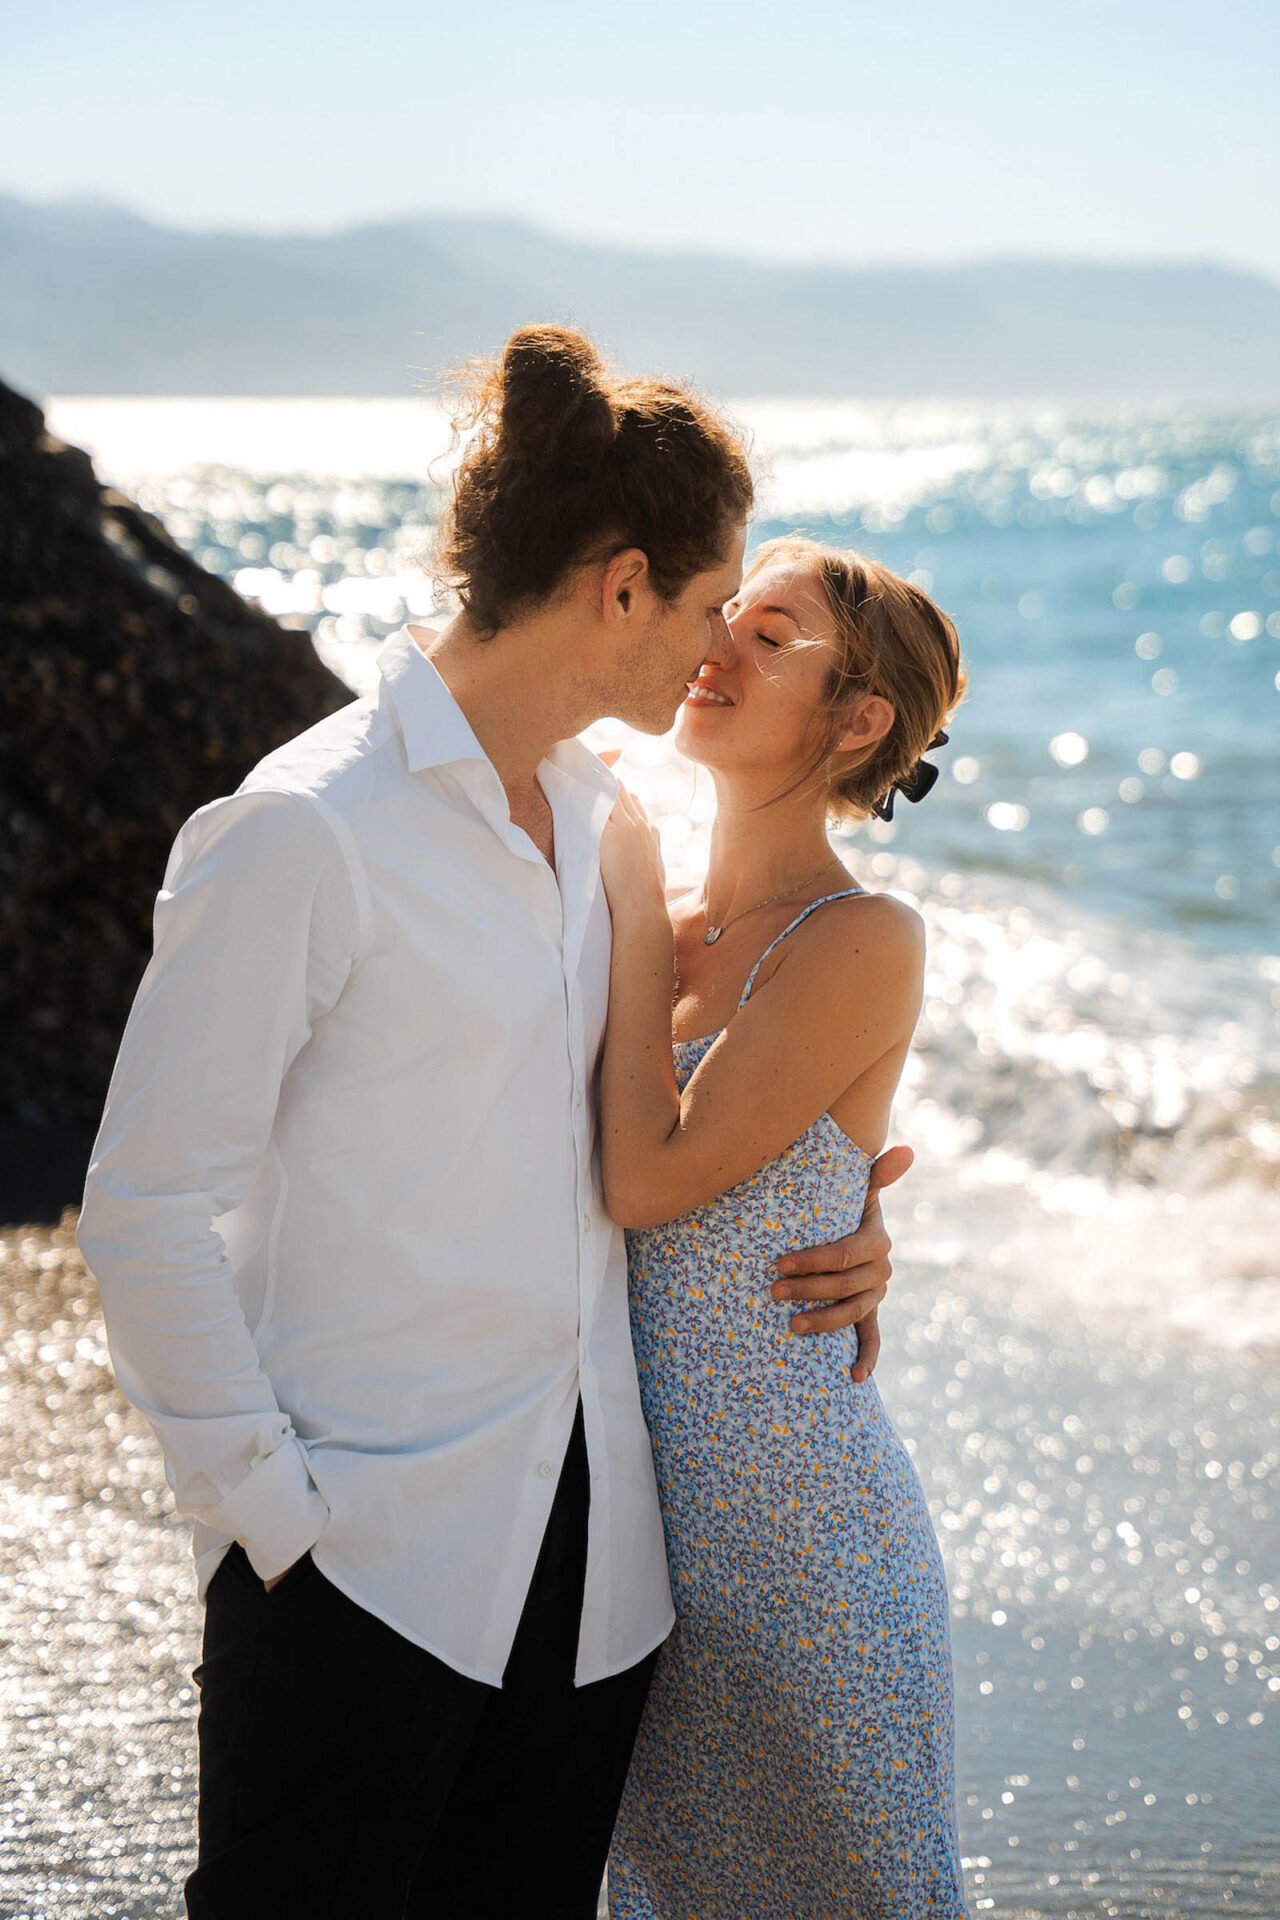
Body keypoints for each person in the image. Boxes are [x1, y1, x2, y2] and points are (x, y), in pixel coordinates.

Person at [76, 330, 907, 1920]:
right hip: (361, 1569)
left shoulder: (607, 821)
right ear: (620, 590)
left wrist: (841, 1215)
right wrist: (270, 1522)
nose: (718, 642)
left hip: (600, 1599)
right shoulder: (304, 831)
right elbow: (144, 1207)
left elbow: (673, 1119)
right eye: (709, 596)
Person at [600, 534, 971, 1917]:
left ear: (857, 720)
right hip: (617, 1532)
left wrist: (633, 911)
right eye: (726, 616)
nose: (719, 645)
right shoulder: (640, 908)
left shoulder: (862, 936)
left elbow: (646, 1181)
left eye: (771, 637)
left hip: (799, 1544)